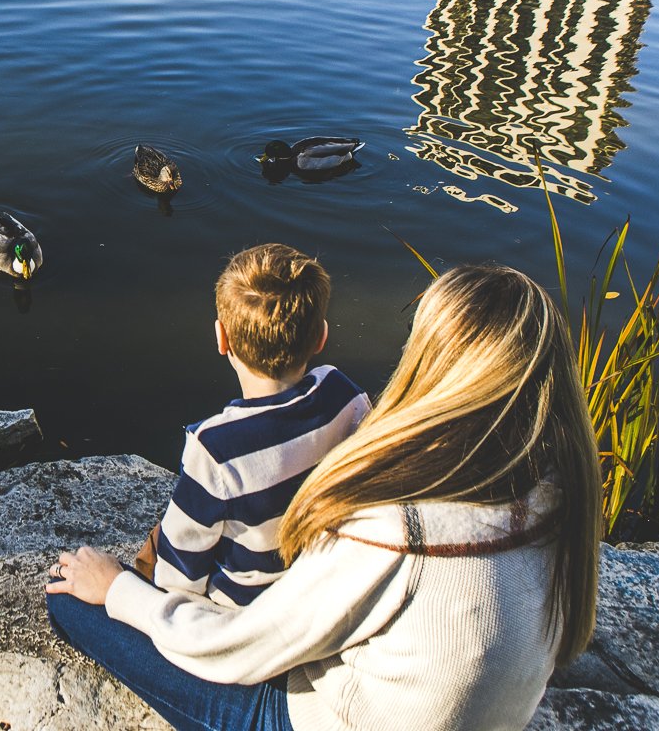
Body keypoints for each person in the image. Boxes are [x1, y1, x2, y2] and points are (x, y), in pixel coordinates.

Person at [47, 264, 602, 731]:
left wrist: (118, 590)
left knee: (69, 599)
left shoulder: (402, 530)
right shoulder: (558, 487)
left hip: (322, 717)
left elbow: (242, 648)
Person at [133, 244, 369, 606]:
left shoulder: (214, 446)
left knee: (157, 543)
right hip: (317, 584)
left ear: (221, 339)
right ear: (321, 337)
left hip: (245, 611)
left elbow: (178, 580)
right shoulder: (345, 395)